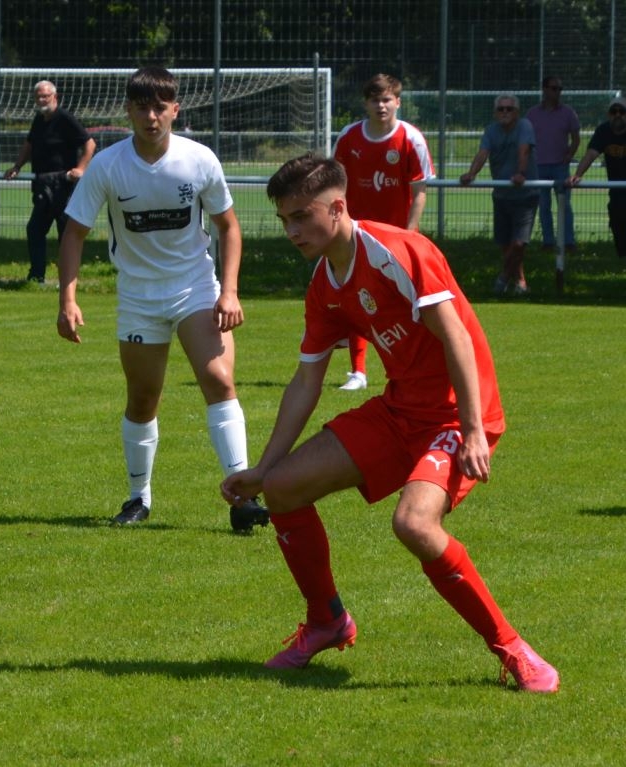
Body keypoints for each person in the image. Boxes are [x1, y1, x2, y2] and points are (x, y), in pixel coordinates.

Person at [221, 154, 558, 693]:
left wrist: (473, 431)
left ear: (338, 207)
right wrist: (263, 468)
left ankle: (512, 648)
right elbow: (306, 381)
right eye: (285, 219)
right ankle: (328, 621)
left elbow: (458, 339)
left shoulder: (396, 251)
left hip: (455, 414)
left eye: (302, 216)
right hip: (402, 411)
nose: (292, 230)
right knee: (283, 488)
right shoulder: (324, 281)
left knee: (414, 525)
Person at [56, 66, 269, 534]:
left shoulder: (200, 160)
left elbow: (228, 227)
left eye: (160, 107)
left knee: (218, 379)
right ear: (129, 111)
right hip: (138, 296)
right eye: (141, 107)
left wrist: (229, 291)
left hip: (195, 288)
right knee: (143, 399)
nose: (151, 117)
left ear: (175, 110)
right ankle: (138, 498)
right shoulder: (108, 166)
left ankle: (243, 495)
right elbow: (74, 233)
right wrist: (66, 299)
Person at [332, 73, 434, 391]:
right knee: (357, 296)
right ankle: (358, 372)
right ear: (366, 103)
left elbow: (419, 191)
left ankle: (413, 367)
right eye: (375, 99)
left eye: (387, 99)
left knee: (406, 304)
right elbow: (335, 186)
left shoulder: (411, 139)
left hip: (396, 239)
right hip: (357, 235)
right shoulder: (349, 138)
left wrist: (410, 233)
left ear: (398, 102)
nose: (381, 105)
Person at [3, 80, 97, 284]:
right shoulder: (39, 119)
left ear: (55, 97)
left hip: (63, 186)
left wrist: (81, 169)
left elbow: (89, 144)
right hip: (43, 185)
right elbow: (29, 144)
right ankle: (37, 276)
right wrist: (17, 166)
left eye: (45, 96)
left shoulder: (65, 118)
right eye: (38, 96)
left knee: (67, 233)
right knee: (35, 229)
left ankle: (69, 279)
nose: (41, 100)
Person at [571, 96, 626, 295]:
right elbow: (591, 154)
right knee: (622, 234)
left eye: (622, 111)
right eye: (614, 111)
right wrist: (577, 175)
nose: (618, 115)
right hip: (618, 191)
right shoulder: (603, 131)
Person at [459, 94, 539, 295]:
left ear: (516, 112)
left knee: (519, 243)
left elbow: (524, 151)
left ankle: (503, 277)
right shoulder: (490, 131)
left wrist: (520, 173)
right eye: (501, 109)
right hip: (501, 195)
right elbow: (482, 154)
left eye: (509, 109)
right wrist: (471, 174)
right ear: (495, 112)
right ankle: (520, 282)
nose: (505, 112)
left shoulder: (525, 126)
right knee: (505, 244)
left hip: (525, 195)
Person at [525, 75, 581, 291]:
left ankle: (568, 241)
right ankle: (548, 241)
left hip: (559, 165)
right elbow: (527, 140)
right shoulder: (532, 114)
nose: (557, 92)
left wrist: (569, 155)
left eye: (560, 88)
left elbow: (576, 137)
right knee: (544, 205)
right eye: (553, 88)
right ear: (544, 89)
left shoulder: (568, 113)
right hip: (539, 166)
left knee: (564, 205)